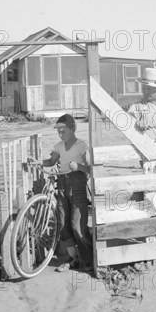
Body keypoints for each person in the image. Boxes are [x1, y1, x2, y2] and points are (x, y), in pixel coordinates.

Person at [40, 113, 93, 272]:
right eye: (58, 132)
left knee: (77, 225)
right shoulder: (58, 146)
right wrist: (39, 162)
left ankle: (90, 259)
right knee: (63, 224)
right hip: (62, 184)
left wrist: (79, 167)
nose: (60, 134)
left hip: (77, 184)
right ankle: (73, 259)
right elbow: (51, 162)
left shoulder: (81, 145)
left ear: (73, 128)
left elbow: (90, 168)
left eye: (63, 131)